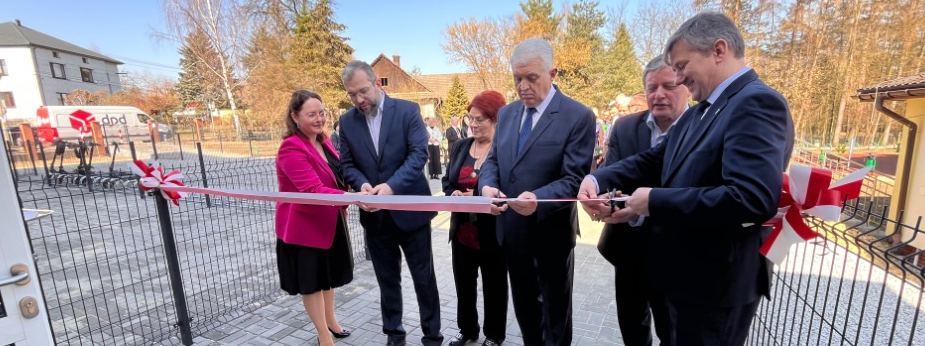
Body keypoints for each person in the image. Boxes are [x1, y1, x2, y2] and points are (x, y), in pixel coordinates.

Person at [578, 12, 794, 346]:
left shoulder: (755, 102)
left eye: (681, 66)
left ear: (718, 51)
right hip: (687, 279)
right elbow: (655, 159)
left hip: (716, 286)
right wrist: (599, 178)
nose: (678, 78)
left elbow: (751, 198)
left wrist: (653, 202)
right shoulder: (701, 110)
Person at [478, 38, 596, 346]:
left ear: (553, 73)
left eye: (532, 78)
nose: (523, 86)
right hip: (512, 232)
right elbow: (493, 161)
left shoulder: (578, 116)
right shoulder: (506, 114)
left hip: (551, 234)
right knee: (526, 312)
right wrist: (486, 185)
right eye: (517, 78)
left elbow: (574, 178)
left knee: (555, 317)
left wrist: (538, 200)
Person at [337, 60, 443, 346]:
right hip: (375, 217)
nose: (358, 100)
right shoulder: (347, 122)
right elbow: (346, 164)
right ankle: (394, 335)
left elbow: (418, 154)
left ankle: (432, 336)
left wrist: (391, 187)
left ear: (377, 84)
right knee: (387, 281)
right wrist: (362, 185)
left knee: (424, 279)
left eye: (362, 92)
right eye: (352, 95)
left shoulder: (408, 111)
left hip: (411, 214)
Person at [597, 55, 690, 346]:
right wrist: (606, 202)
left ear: (685, 86)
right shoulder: (625, 127)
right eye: (652, 88)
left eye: (668, 85)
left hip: (678, 253)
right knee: (631, 323)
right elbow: (613, 175)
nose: (659, 94)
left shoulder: (701, 127)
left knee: (672, 331)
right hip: (629, 247)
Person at [275, 90, 356, 346]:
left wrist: (357, 187)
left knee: (328, 278)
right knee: (312, 284)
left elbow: (338, 173)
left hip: (330, 221)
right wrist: (349, 198)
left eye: (321, 113)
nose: (319, 119)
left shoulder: (324, 140)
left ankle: (331, 321)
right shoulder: (291, 148)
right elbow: (311, 190)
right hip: (304, 230)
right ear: (295, 117)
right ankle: (323, 334)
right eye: (311, 114)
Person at [442, 91, 509, 346]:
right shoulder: (460, 146)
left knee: (495, 287)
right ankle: (467, 329)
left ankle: (494, 335)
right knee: (464, 285)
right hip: (462, 231)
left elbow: (508, 188)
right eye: (471, 118)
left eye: (480, 119)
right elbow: (448, 180)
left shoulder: (504, 150)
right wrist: (454, 192)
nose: (473, 124)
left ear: (495, 120)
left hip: (492, 232)